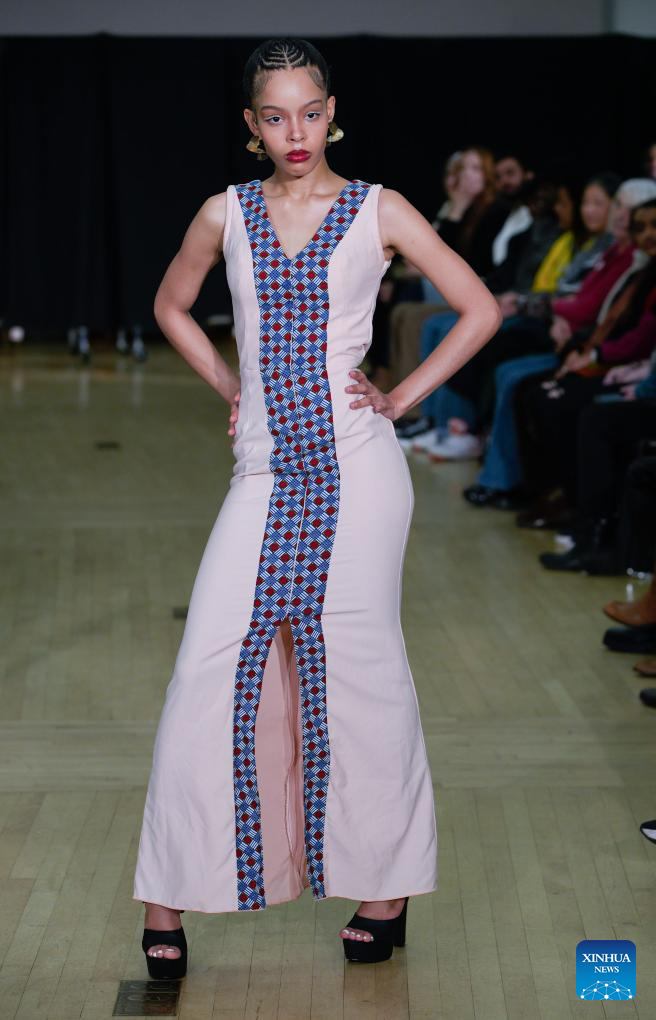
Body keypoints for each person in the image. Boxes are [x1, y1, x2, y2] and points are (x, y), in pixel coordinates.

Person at [132, 36, 502, 976]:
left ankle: (386, 890)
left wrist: (400, 397)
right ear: (251, 126)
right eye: (275, 116)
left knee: (360, 672)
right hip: (263, 473)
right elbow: (171, 305)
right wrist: (234, 386)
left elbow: (480, 308)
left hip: (357, 470)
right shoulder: (225, 213)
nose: (294, 131)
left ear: (332, 113)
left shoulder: (380, 208)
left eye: (309, 112)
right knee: (208, 667)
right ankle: (167, 894)